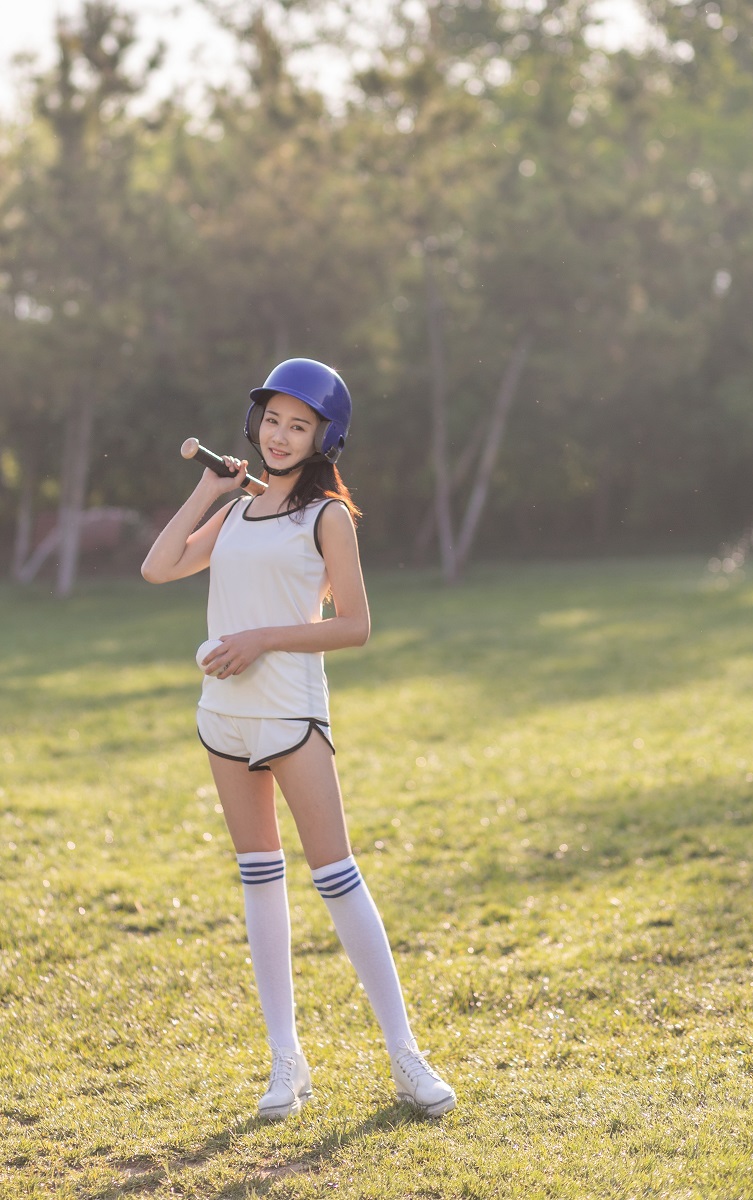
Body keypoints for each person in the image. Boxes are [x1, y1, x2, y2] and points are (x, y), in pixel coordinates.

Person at [141, 358, 455, 1120]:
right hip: (223, 716)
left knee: (337, 877)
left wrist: (262, 639)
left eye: (299, 425)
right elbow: (157, 567)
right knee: (259, 878)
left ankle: (406, 1056)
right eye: (273, 421)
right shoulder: (237, 511)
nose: (280, 436)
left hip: (290, 715)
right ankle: (286, 1063)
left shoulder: (327, 518)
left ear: (324, 437)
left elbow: (355, 625)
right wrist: (209, 491)